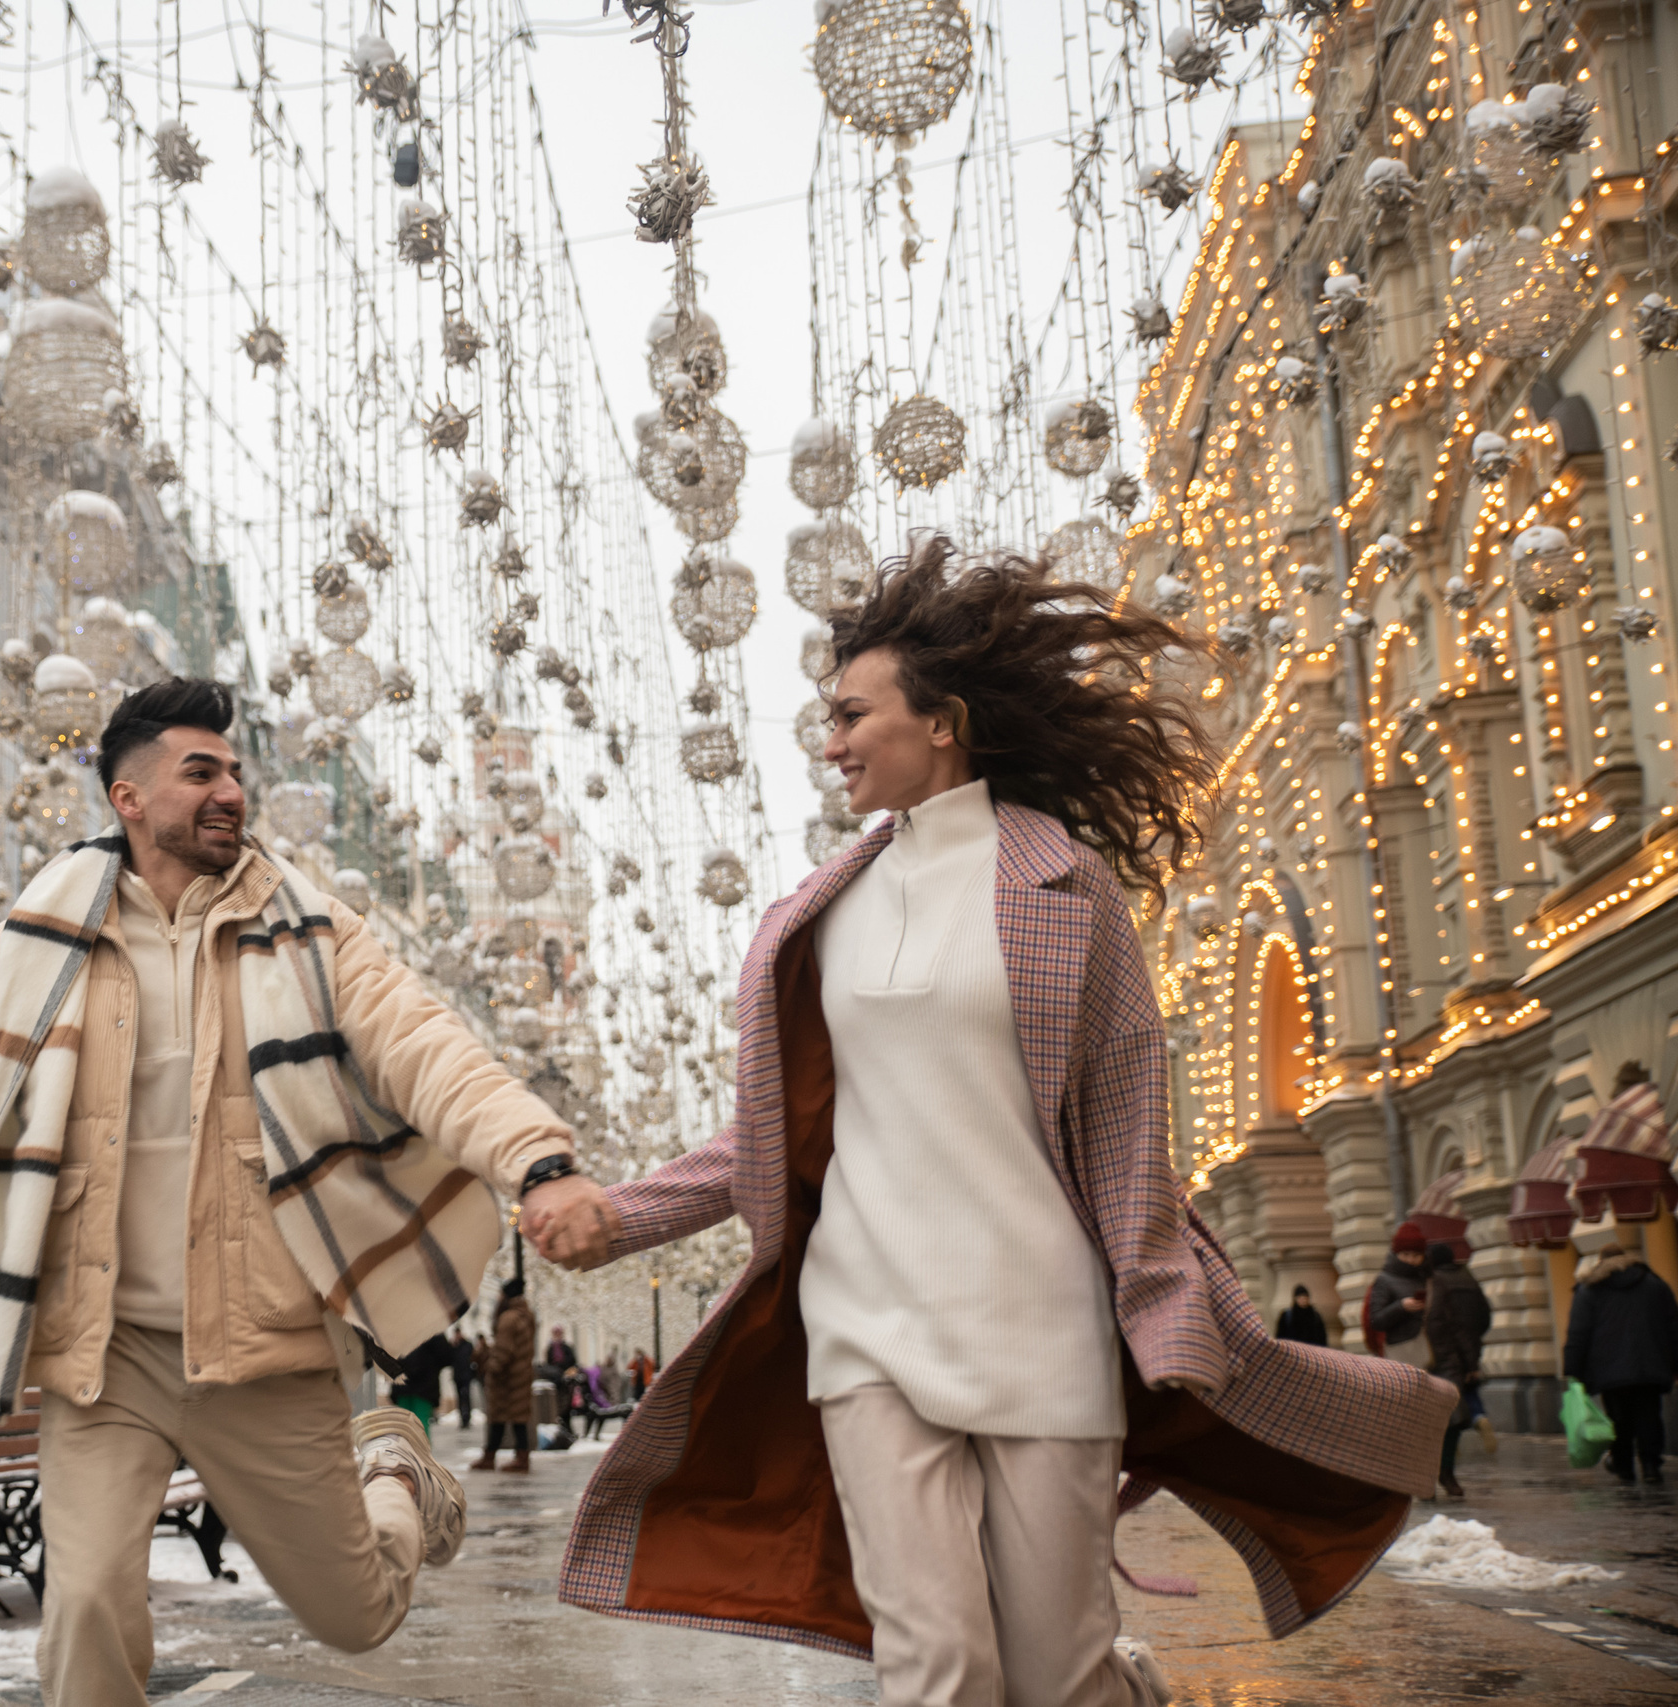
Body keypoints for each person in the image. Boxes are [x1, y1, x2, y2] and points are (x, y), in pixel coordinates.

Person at [530, 538, 1452, 1707]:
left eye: (852, 714)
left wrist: (1163, 1316)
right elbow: (767, 1135)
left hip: (1041, 1322)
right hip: (862, 1326)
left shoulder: (1067, 890)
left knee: (1057, 1674)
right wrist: (621, 1215)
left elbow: (1126, 1130)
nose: (831, 742)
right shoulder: (818, 916)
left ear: (944, 721)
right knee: (937, 1665)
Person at [0, 679, 600, 1707]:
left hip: (263, 1345)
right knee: (81, 1611)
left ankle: (393, 1473)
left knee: (356, 1613)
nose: (229, 794)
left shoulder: (316, 937)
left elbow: (432, 1056)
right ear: (127, 796)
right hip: (105, 1354)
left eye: (235, 774)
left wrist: (539, 1161)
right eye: (199, 772)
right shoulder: (32, 951)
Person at [1562, 1245, 1678, 1485]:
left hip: (1609, 1369)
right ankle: (1650, 1466)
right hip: (1650, 1366)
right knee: (1649, 1416)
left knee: (1618, 1419)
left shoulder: (1590, 1290)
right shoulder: (1654, 1285)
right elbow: (1673, 1327)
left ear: (1601, 1263)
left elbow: (1579, 1333)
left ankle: (1624, 1467)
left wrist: (1573, 1370)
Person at [1423, 1246, 1491, 1499]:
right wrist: (1472, 1357)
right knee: (1455, 1415)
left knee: (1439, 1419)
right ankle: (1446, 1469)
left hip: (1436, 1357)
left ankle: (1440, 1470)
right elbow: (1484, 1317)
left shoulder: (1433, 1283)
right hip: (1461, 1354)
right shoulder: (1468, 1279)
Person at [476, 1281, 537, 1472]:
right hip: (521, 1374)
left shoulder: (508, 1318)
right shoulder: (526, 1316)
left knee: (499, 1416)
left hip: (507, 1378)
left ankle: (494, 1457)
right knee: (516, 1417)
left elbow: (503, 1350)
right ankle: (517, 1456)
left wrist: (490, 1367)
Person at [1363, 1223, 1434, 1363]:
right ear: (1396, 1254)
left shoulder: (1429, 1278)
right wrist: (1401, 1307)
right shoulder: (1384, 1280)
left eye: (1416, 1255)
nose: (1411, 1260)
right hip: (1403, 1350)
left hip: (1433, 1347)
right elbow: (1375, 1320)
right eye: (1406, 1254)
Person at [390, 1332, 450, 1433]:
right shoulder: (431, 1327)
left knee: (405, 1426)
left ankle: (406, 1448)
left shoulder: (400, 1323)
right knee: (420, 1424)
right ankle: (420, 1448)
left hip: (403, 1381)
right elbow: (445, 1356)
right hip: (425, 1385)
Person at [448, 1328, 481, 1430]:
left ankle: (467, 1418)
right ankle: (462, 1419)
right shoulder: (454, 1346)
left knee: (466, 1397)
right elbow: (449, 1359)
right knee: (460, 1398)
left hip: (466, 1376)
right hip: (458, 1376)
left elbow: (473, 1358)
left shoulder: (467, 1345)